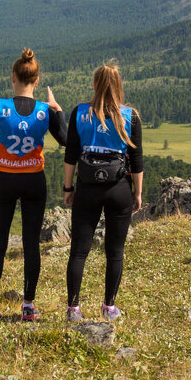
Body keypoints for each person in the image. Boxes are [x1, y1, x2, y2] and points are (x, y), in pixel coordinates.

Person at [0, 48, 68, 322]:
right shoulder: (46, 112)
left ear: (13, 78)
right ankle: (28, 306)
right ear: (36, 81)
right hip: (34, 180)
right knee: (32, 244)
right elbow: (68, 141)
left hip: (4, 181)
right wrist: (58, 111)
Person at [63, 63, 144, 324]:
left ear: (95, 85)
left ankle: (73, 309)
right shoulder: (129, 116)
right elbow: (136, 159)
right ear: (118, 86)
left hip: (87, 187)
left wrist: (68, 187)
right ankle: (109, 306)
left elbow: (71, 155)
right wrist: (138, 193)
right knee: (115, 251)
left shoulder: (80, 113)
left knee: (78, 251)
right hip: (118, 187)